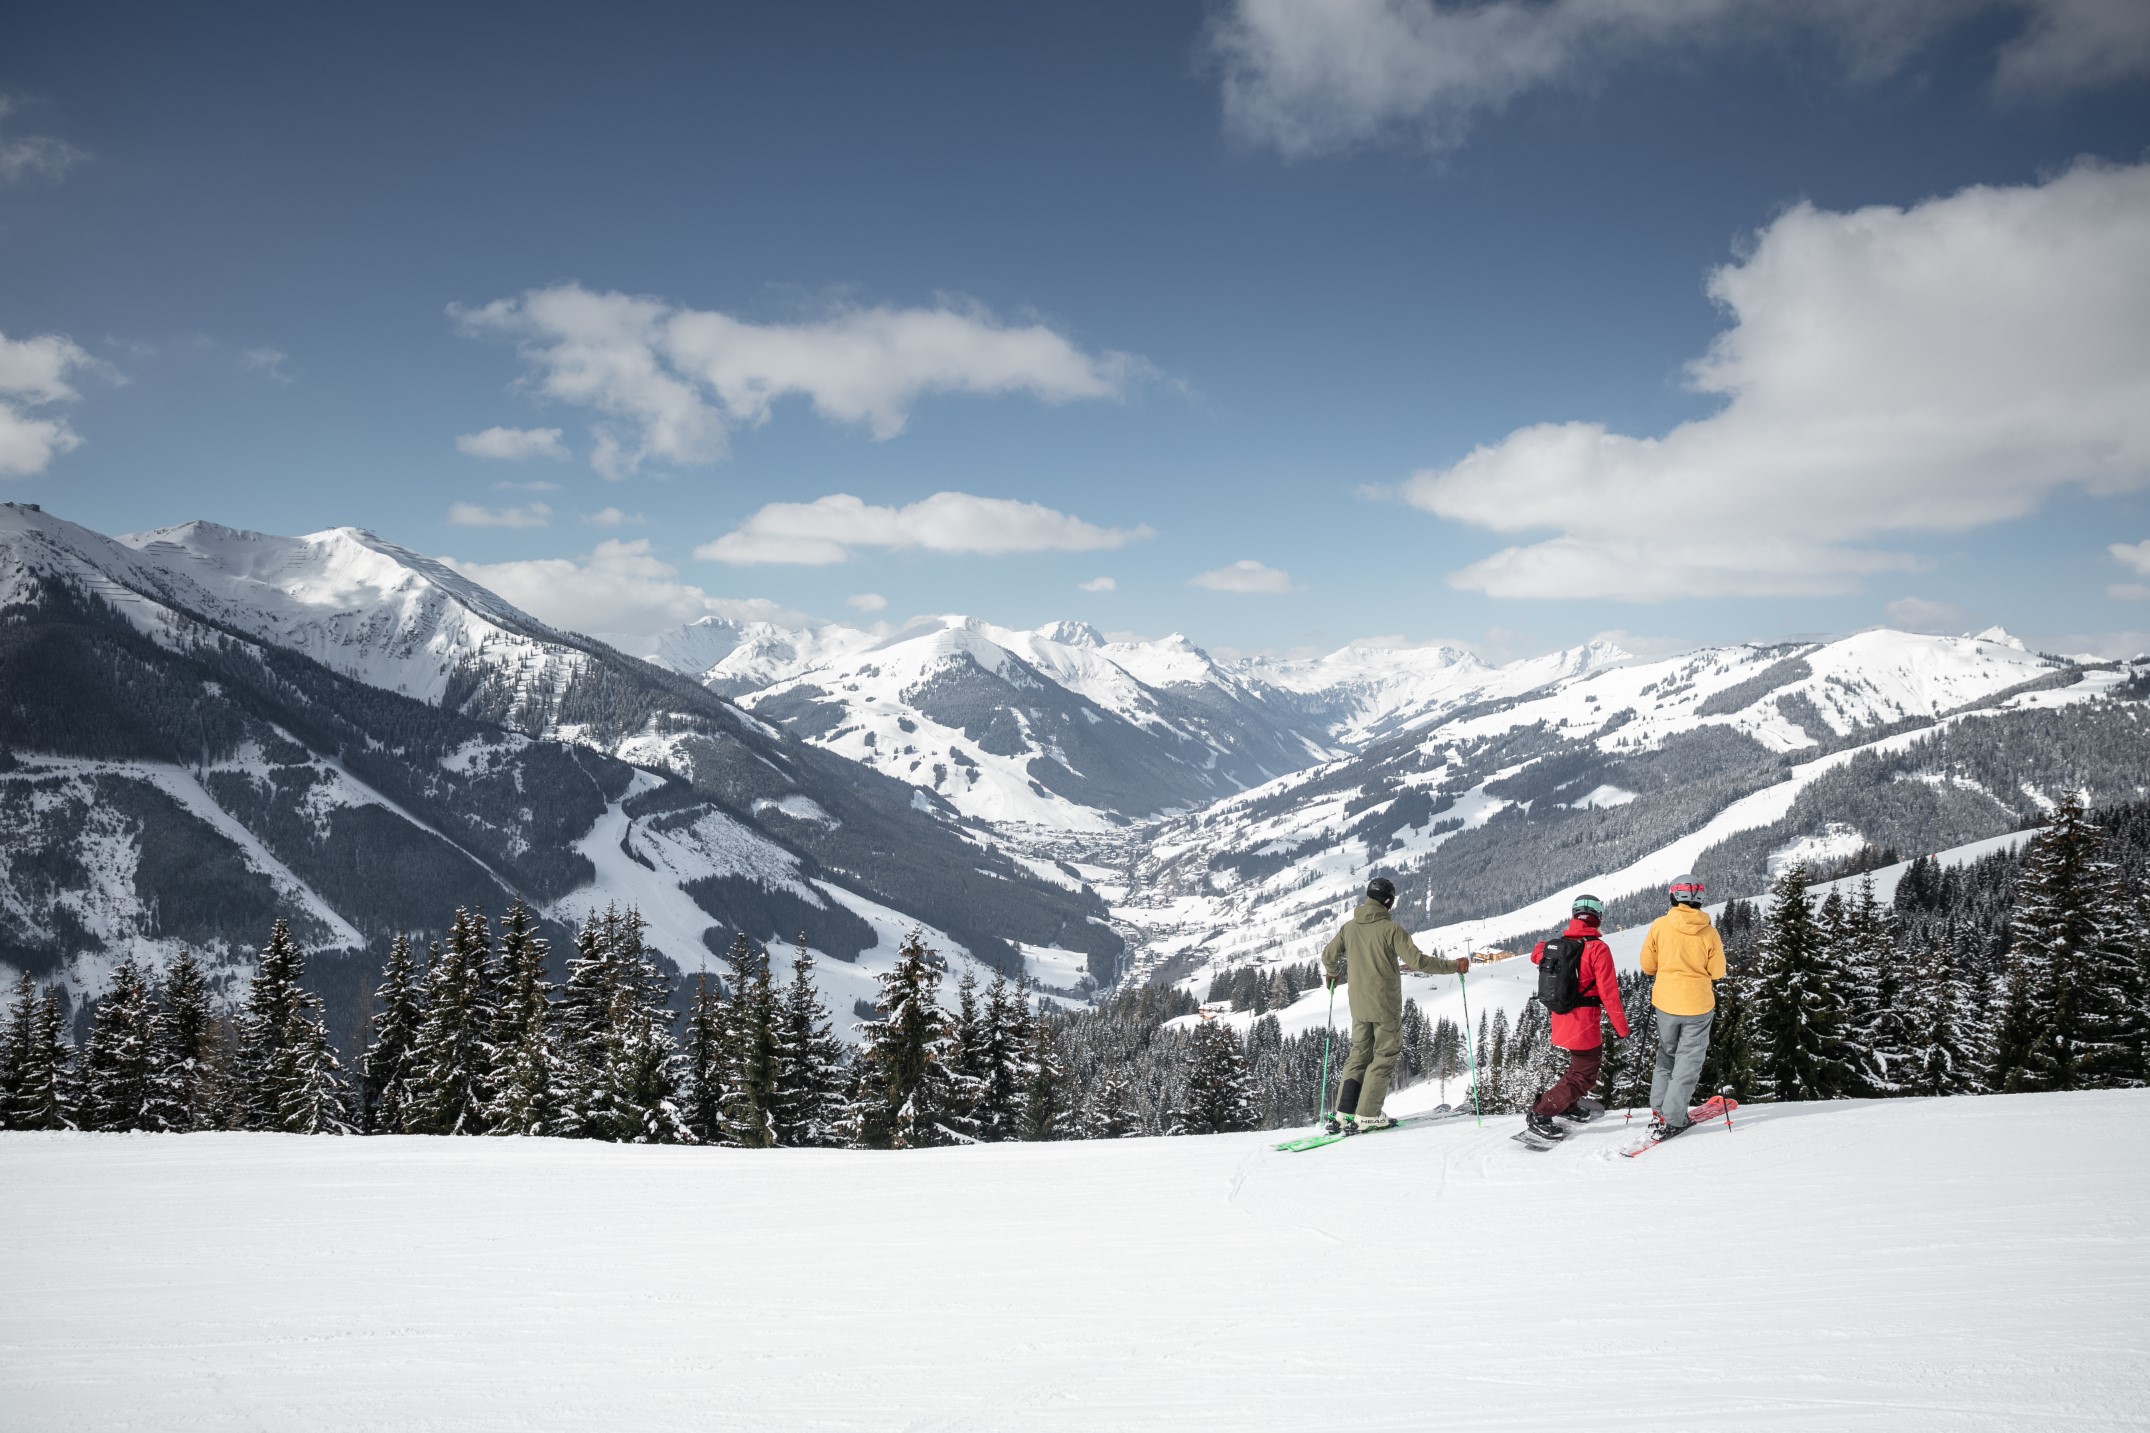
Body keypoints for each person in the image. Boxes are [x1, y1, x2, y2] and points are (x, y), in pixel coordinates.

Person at [1321, 876, 1471, 1132]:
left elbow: (1328, 955)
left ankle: (1344, 1112)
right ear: (1388, 901)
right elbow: (1419, 962)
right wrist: (1453, 966)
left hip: (1358, 1006)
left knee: (1358, 1055)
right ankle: (1367, 1116)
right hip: (1385, 1007)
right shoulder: (1391, 930)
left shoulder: (1349, 928)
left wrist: (1332, 973)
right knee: (1383, 1056)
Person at [1524, 893, 1630, 1140]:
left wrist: (1544, 945)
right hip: (1584, 1023)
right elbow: (1609, 995)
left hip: (1561, 1018)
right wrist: (1622, 1030)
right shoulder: (1597, 949)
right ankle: (1541, 1113)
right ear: (1598, 918)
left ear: (1574, 916)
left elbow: (1536, 954)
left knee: (1577, 1067)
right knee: (1584, 1073)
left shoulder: (1559, 946)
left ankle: (1568, 1106)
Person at [1639, 874, 1727, 1143]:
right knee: (1688, 1062)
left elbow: (1647, 966)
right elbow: (1718, 971)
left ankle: (1659, 1110)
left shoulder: (1659, 926)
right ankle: (1674, 1117)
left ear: (1673, 896)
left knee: (1666, 1055)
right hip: (1698, 1005)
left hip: (1665, 1003)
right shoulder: (1709, 932)